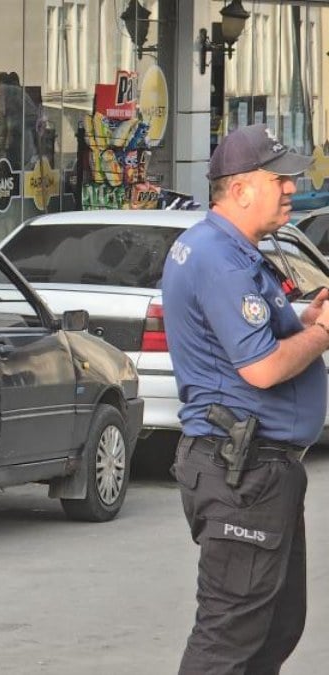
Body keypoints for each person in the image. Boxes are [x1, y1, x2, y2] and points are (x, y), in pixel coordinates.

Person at [161, 123, 328, 674]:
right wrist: (323, 333)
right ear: (239, 189)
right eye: (278, 178)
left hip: (257, 470)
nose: (290, 188)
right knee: (228, 637)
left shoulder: (230, 251)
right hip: (243, 472)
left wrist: (304, 318)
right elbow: (260, 367)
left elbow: (254, 334)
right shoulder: (218, 258)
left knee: (276, 626)